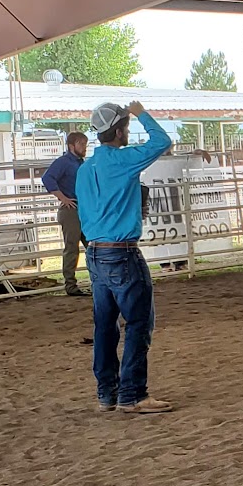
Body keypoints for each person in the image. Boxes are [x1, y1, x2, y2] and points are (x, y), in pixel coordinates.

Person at [76, 100, 174, 414]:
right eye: (127, 127)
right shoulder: (121, 161)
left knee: (104, 325)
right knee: (138, 322)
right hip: (122, 253)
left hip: (95, 252)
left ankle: (108, 392)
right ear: (119, 131)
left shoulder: (85, 168)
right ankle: (133, 393)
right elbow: (162, 142)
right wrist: (141, 112)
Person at [40, 130, 90, 297]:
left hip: (82, 208)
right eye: (81, 144)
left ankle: (95, 280)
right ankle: (71, 284)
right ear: (71, 146)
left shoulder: (79, 163)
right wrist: (63, 198)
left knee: (92, 245)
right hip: (72, 209)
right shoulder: (64, 162)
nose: (84, 147)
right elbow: (47, 178)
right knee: (73, 247)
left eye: (85, 144)